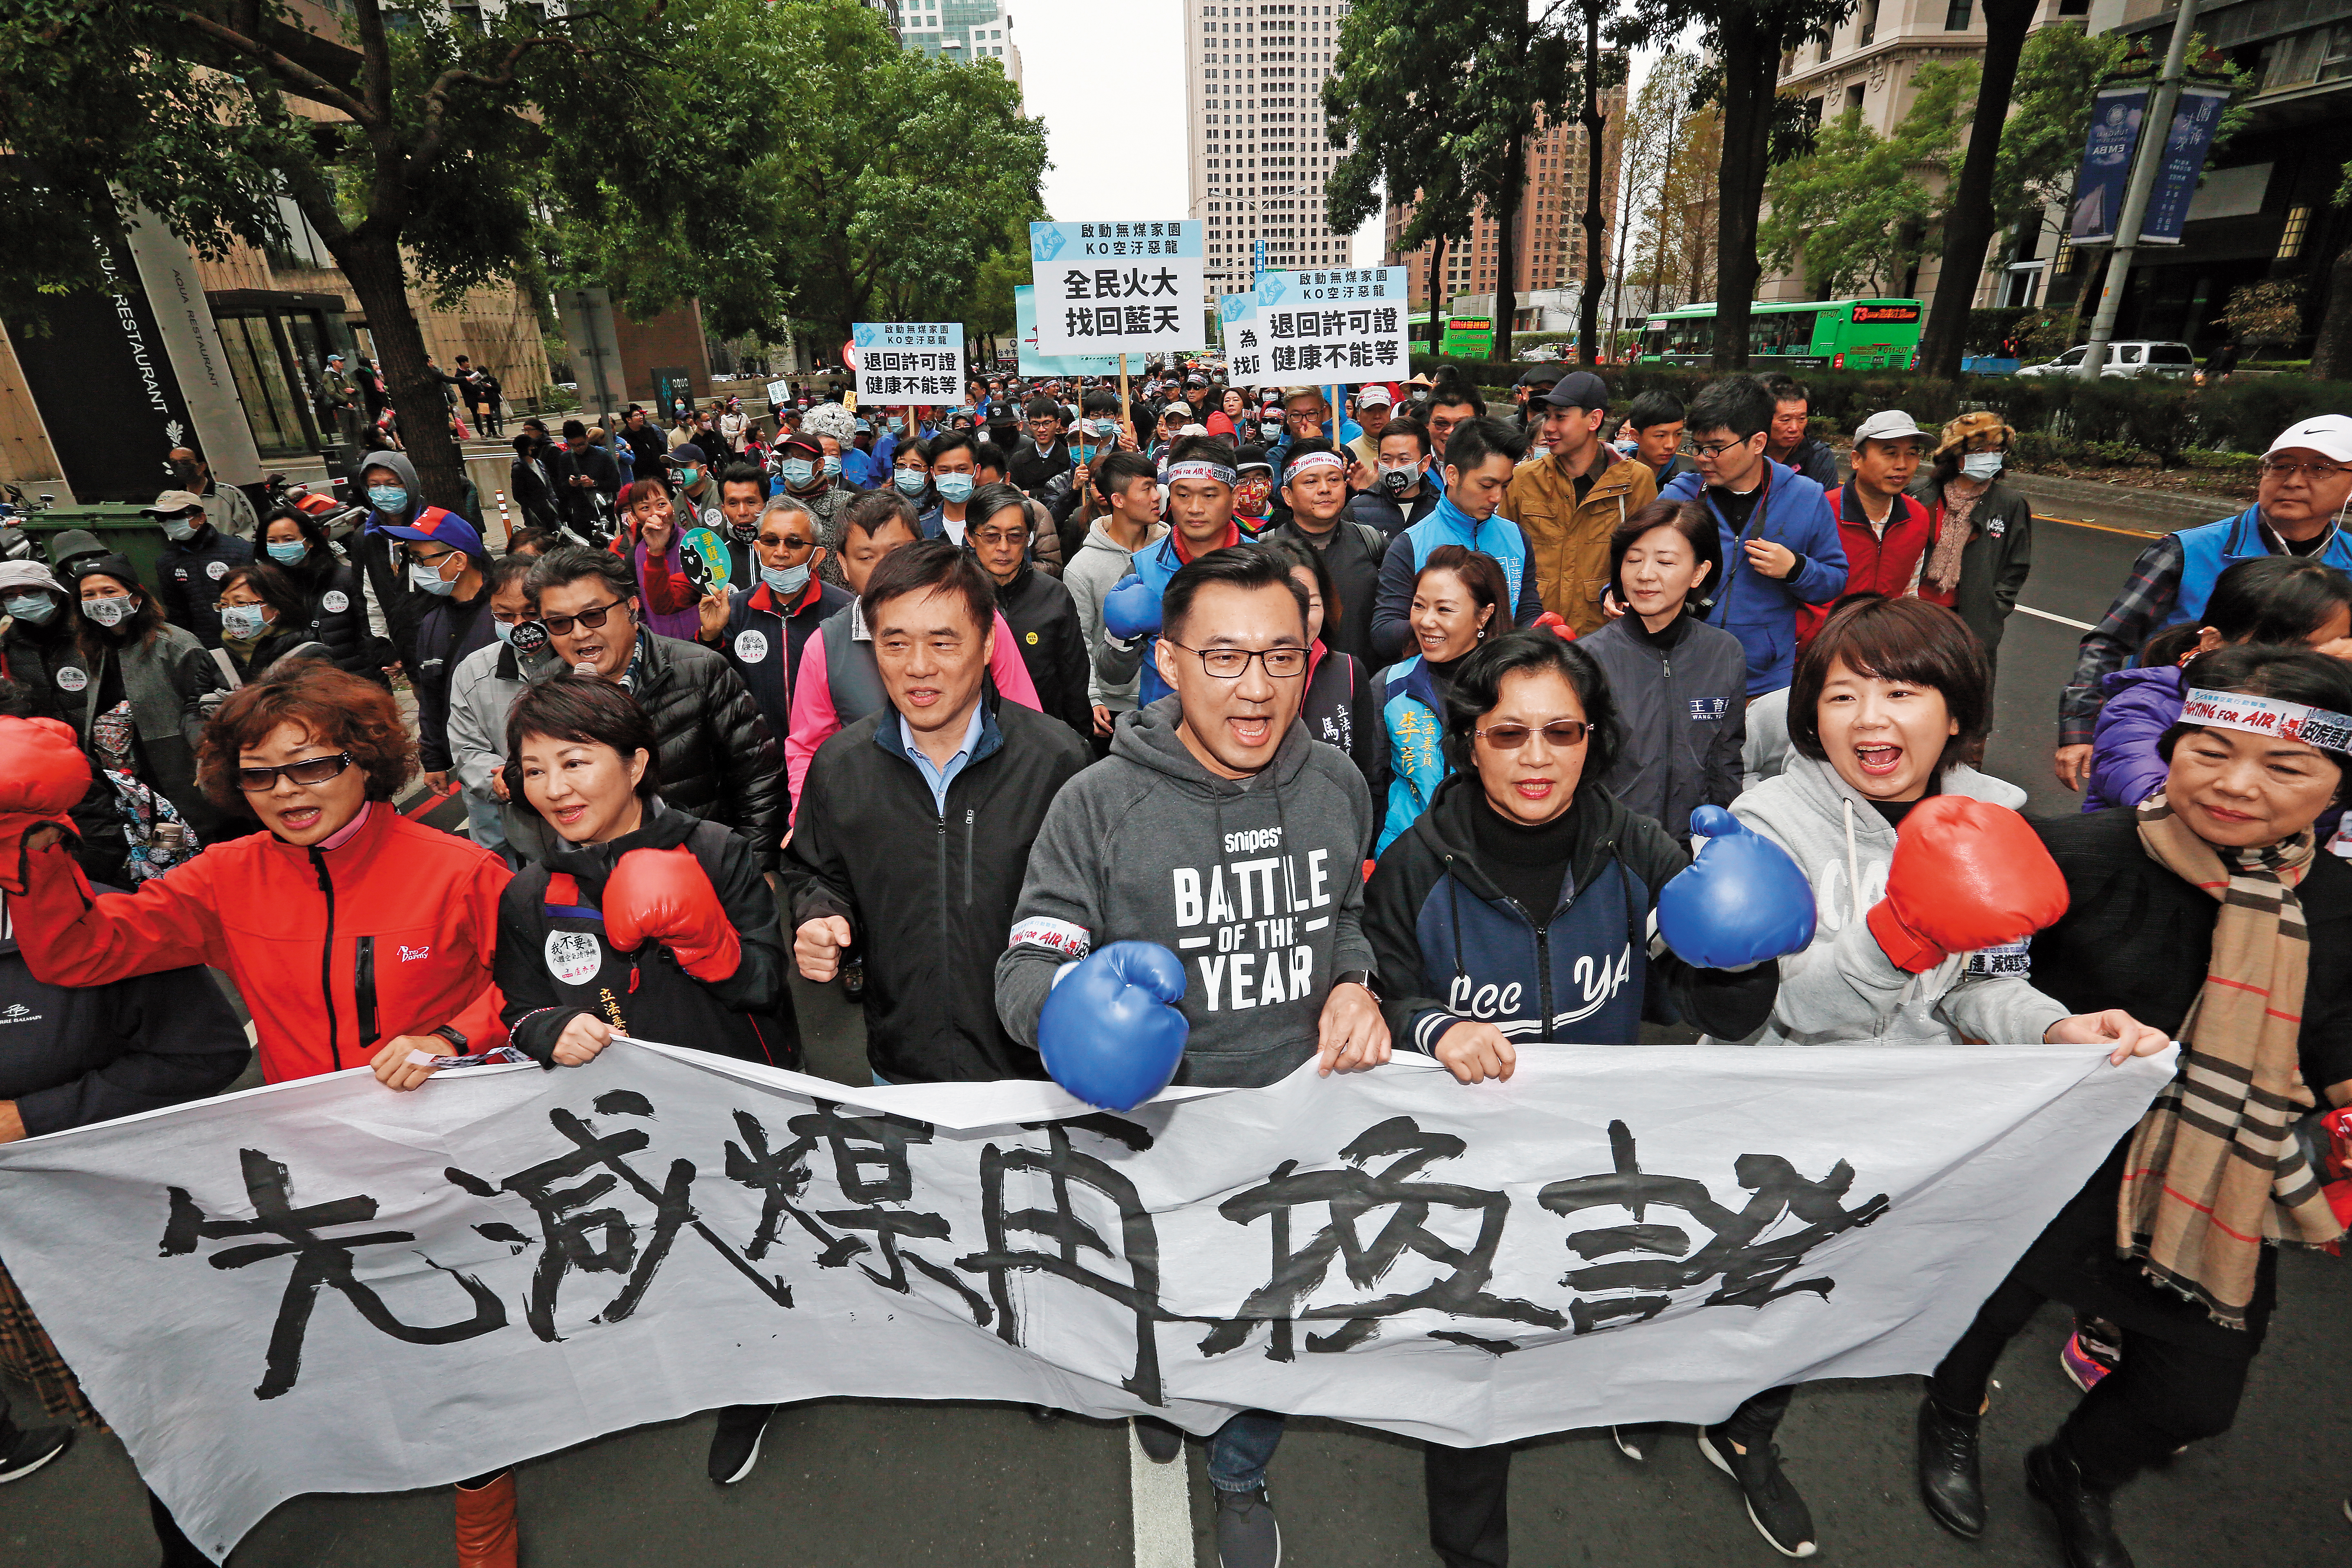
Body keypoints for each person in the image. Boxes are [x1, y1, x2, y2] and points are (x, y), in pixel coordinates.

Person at [1707, 595, 2165, 1557]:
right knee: (1731, 1283)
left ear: (1953, 710)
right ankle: (1683, 1398)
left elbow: (1978, 990)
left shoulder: (1994, 817)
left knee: (1821, 1299)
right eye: (1840, 695)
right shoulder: (1768, 818)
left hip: (1906, 1129)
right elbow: (1797, 1010)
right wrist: (1898, 929)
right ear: (1807, 711)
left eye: (1901, 690)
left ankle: (1745, 1423)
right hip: (1776, 1117)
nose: (1868, 719)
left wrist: (2054, 1027)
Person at [1358, 630, 1792, 1568]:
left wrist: (1741, 953)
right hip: (1462, 1185)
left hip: (1597, 1172)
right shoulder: (1412, 868)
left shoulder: (1635, 847)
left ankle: (1622, 1408)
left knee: (1595, 1330)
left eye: (1561, 731)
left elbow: (1696, 998)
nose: (1536, 757)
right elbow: (1374, 1003)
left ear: (1592, 738)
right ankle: (1470, 1551)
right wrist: (1433, 1028)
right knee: (1475, 1385)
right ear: (1467, 738)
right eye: (1508, 733)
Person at [996, 547, 1389, 1568]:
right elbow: (1021, 971)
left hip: (1293, 1135)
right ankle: (1158, 1389)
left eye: (1278, 657)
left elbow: (1347, 916)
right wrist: (1071, 1011)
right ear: (1167, 663)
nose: (1254, 687)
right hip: (1150, 1146)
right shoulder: (1095, 803)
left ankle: (1241, 1469)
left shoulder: (1338, 782)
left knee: (1273, 1321)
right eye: (1221, 657)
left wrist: (1353, 980)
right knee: (1157, 1315)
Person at [1917, 644, 2351, 1568]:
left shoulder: (2338, 901)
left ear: (2334, 782)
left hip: (2210, 1186)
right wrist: (2050, 1026)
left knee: (2192, 1397)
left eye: (2282, 765)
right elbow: (1965, 987)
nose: (2235, 785)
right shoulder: (2068, 851)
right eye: (2206, 749)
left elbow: (2331, 1042)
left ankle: (2071, 1469)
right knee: (1975, 1318)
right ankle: (1948, 1415)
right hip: (2049, 1163)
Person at [0, 706, 250, 1555]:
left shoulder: (106, 927)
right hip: (15, 1253)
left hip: (114, 1225)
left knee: (163, 1410)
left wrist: (32, 1117)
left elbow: (202, 1054)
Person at [786, 536, 1088, 1085]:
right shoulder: (840, 766)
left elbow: (1096, 903)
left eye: (943, 643)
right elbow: (817, 873)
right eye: (895, 644)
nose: (918, 667)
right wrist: (820, 918)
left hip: (1034, 1073)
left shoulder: (1058, 762)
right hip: (902, 1068)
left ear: (989, 643)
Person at [2058, 414, 2352, 791]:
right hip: (2183, 737)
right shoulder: (2186, 551)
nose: (2294, 480)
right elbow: (2109, 641)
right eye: (2281, 466)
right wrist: (2079, 729)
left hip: (2298, 754)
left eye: (2320, 469)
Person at [523, 547, 786, 870]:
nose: (580, 633)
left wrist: (756, 871)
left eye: (594, 616)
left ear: (632, 608)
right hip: (599, 881)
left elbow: (759, 778)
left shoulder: (702, 672)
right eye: (560, 623)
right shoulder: (544, 691)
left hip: (706, 871)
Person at [784, 493, 1045, 812]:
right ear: (843, 565)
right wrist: (804, 818)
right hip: (876, 813)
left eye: (897, 552)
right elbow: (808, 748)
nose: (884, 569)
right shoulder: (825, 645)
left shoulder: (977, 621)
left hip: (984, 803)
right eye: (866, 557)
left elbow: (1025, 715)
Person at [2085, 555, 2352, 815]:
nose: (2324, 662)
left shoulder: (2329, 706)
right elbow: (2160, 803)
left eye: (2343, 639)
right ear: (2214, 643)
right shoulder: (2146, 707)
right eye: (2300, 649)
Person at [1660, 376, 1847, 697]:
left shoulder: (1806, 496)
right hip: (1682, 667)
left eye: (1716, 448)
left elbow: (1835, 579)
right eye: (1698, 447)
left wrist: (1796, 569)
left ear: (1758, 443)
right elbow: (1634, 559)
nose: (1703, 458)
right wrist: (1615, 593)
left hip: (1766, 679)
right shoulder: (1680, 496)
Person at [1579, 499, 1746, 845]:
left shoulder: (1724, 652)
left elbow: (1725, 762)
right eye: (1634, 560)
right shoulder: (1588, 658)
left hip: (1696, 846)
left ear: (1699, 572)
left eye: (1666, 562)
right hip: (1611, 847)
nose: (1645, 574)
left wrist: (1726, 841)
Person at [59, 556, 225, 862]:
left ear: (135, 596)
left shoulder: (175, 645)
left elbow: (207, 711)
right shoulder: (93, 649)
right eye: (89, 595)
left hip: (179, 780)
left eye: (109, 591)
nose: (100, 602)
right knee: (165, 858)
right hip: (133, 786)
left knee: (199, 848)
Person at [1370, 418, 1545, 666]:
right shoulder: (1410, 544)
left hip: (1502, 680)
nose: (1497, 497)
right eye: (1487, 485)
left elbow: (1527, 611)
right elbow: (1383, 633)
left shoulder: (1517, 538)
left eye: (1505, 486)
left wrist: (1543, 630)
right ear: (1452, 475)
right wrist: (1447, 627)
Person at [1094, 435, 1248, 711]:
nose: (1195, 508)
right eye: (1183, 495)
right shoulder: (1141, 569)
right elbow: (1113, 676)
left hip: (1244, 716)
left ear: (1234, 497)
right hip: (1165, 730)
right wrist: (1122, 641)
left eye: (1210, 495)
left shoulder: (1266, 566)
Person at [1377, 544, 1512, 854]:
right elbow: (1374, 783)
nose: (1426, 622)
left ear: (1484, 616)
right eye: (1419, 606)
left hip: (1488, 859)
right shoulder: (1391, 684)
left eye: (1445, 609)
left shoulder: (1512, 689)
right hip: (1406, 858)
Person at [1503, 371, 1659, 635]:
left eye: (1561, 417)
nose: (1549, 427)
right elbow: (1504, 558)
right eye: (1548, 417)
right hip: (1535, 635)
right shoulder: (1523, 479)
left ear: (1594, 420)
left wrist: (1619, 593)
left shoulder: (1635, 481)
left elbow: (1648, 558)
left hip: (1603, 636)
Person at [707, 494, 851, 760]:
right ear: (758, 547)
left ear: (817, 556)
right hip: (756, 761)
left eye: (794, 543)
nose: (781, 552)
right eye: (771, 541)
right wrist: (710, 636)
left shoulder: (844, 611)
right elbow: (715, 690)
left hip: (827, 760)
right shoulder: (735, 610)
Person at [1911, 410, 2034, 689]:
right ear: (1955, 454)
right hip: (1915, 618)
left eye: (1997, 450)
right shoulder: (1919, 495)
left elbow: (2016, 566)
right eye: (1980, 450)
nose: (1990, 456)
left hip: (1971, 625)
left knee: (1965, 702)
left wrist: (1994, 607)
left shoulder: (2010, 504)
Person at [1259, 535, 1385, 795]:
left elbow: (1365, 774)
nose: (1302, 619)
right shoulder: (1239, 676)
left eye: (1313, 604)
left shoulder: (1347, 671)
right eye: (1289, 605)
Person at [1795, 409, 1935, 643]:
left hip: (1882, 649)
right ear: (1856, 460)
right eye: (1890, 454)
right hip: (1818, 647)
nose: (1902, 465)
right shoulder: (1818, 510)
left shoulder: (1917, 515)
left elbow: (1910, 590)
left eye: (1912, 454)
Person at [963, 483, 1090, 737]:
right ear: (970, 536)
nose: (1003, 548)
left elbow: (1074, 682)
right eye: (991, 536)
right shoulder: (955, 596)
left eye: (1015, 536)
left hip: (1041, 738)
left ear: (1029, 538)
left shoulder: (1054, 596)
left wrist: (1079, 742)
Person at [1258, 437, 1388, 673]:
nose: (1325, 489)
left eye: (1334, 479)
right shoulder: (1265, 552)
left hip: (1363, 684)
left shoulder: (1373, 543)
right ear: (1287, 496)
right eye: (1311, 481)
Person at [1065, 452, 1166, 753]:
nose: (1157, 496)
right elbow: (1079, 642)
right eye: (1146, 488)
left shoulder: (1172, 553)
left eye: (1156, 486)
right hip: (1116, 707)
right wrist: (1093, 698)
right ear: (1118, 500)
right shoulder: (1082, 568)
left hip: (1169, 697)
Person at [396, 510, 498, 802]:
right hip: (472, 767)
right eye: (410, 559)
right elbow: (431, 695)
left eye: (420, 559)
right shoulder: (432, 621)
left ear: (458, 561)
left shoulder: (507, 613)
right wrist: (434, 759)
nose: (414, 568)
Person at [258, 505, 380, 680]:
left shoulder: (344, 578)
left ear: (310, 541)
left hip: (355, 680)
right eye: (272, 541)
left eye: (288, 539)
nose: (281, 546)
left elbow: (371, 629)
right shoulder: (265, 586)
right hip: (300, 685)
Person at [147, 488, 254, 649]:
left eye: (176, 516)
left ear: (201, 518)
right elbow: (178, 613)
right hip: (203, 647)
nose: (169, 522)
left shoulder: (240, 550)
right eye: (162, 518)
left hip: (246, 641)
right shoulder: (166, 561)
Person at [608, 476, 705, 644]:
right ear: (635, 516)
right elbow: (639, 607)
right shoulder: (633, 556)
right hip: (665, 646)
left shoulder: (696, 542)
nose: (656, 513)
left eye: (662, 504)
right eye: (645, 508)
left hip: (703, 638)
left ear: (672, 506)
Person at [209, 561, 328, 686]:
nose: (231, 612)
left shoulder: (309, 654)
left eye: (241, 603)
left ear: (276, 607)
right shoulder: (214, 659)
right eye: (224, 604)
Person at [0, 561, 80, 724]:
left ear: (55, 593)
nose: (21, 600)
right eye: (10, 596)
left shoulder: (89, 632)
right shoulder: (9, 644)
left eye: (31, 592)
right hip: (53, 739)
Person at [1349, 419, 1440, 541]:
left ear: (1425, 463)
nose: (1394, 468)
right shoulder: (1357, 508)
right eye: (1387, 459)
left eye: (1404, 460)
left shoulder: (1441, 508)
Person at [1759, 374, 1841, 492]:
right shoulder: (1750, 451)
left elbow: (1826, 503)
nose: (1794, 428)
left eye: (1802, 419)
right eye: (1785, 420)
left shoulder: (1819, 456)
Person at [164, 448, 261, 542]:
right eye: (175, 463)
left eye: (185, 462)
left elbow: (251, 531)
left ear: (201, 467)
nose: (180, 467)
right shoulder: (176, 499)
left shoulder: (228, 493)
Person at [557, 419, 623, 540]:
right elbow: (561, 488)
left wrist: (594, 483)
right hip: (580, 515)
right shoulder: (565, 459)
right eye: (573, 446)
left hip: (603, 512)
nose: (578, 448)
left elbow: (616, 484)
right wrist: (571, 483)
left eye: (581, 444)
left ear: (587, 438)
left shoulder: (602, 456)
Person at [918, 430, 982, 544]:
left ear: (977, 471)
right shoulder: (921, 531)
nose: (953, 476)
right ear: (933, 474)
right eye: (944, 471)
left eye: (962, 470)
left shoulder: (997, 525)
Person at [1620, 390, 1695, 486]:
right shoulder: (1611, 478)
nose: (1671, 445)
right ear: (1635, 436)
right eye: (1660, 436)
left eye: (1678, 434)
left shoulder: (1684, 487)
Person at [510, 430, 564, 535]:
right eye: (531, 447)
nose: (534, 449)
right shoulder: (519, 468)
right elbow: (518, 495)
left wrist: (553, 503)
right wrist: (535, 507)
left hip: (551, 510)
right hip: (535, 514)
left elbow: (548, 485)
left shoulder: (539, 464)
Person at [1346, 383, 1393, 473]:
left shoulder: (1404, 446)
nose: (1377, 416)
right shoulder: (1350, 452)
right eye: (1370, 410)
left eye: (1383, 409)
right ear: (1358, 416)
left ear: (1390, 411)